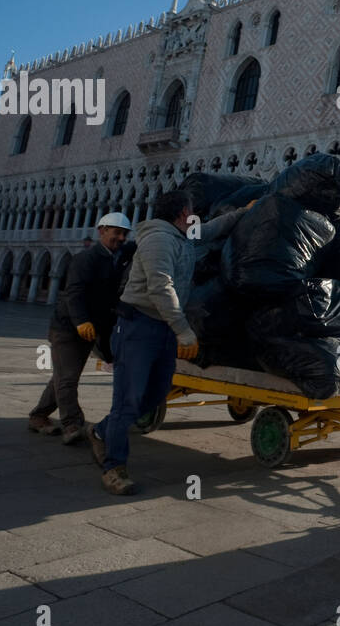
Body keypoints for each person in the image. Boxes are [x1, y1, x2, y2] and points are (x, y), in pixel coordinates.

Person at [86, 190, 251, 495]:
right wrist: (183, 330)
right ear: (179, 215)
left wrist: (243, 212)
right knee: (128, 399)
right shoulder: (159, 240)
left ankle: (100, 431)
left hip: (162, 329)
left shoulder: (183, 236)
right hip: (138, 326)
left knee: (156, 393)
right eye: (190, 212)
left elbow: (212, 228)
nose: (194, 218)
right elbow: (160, 286)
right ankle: (114, 467)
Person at [27, 213, 136, 443]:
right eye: (116, 232)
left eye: (124, 233)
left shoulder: (116, 258)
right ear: (102, 230)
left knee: (62, 376)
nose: (121, 237)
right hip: (68, 327)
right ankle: (72, 424)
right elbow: (73, 293)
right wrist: (80, 321)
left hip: (90, 329)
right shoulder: (85, 258)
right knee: (67, 378)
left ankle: (38, 416)